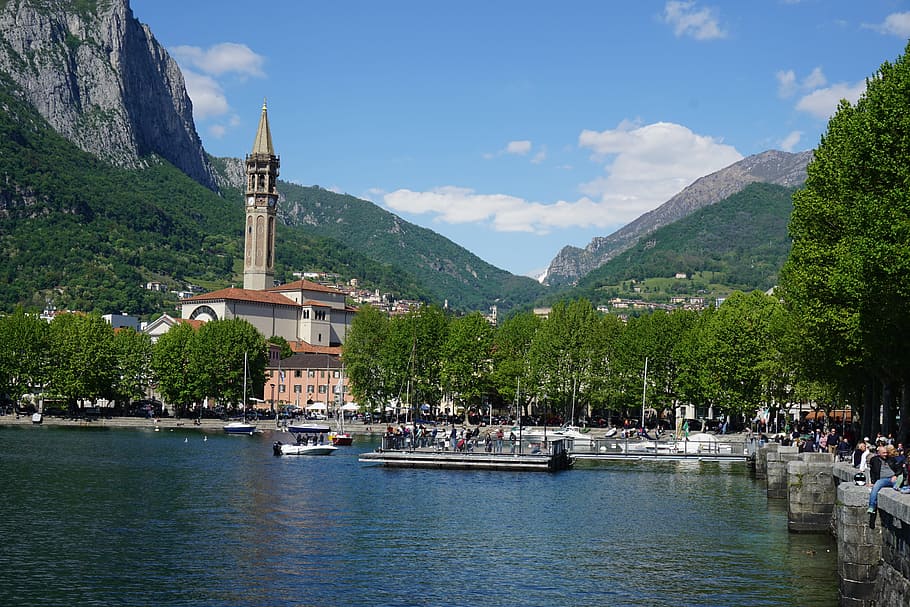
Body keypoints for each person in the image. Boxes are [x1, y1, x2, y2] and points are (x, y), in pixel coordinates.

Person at [868, 444, 899, 516]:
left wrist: (895, 475)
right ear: (879, 453)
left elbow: (899, 469)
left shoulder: (891, 459)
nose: (885, 454)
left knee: (897, 487)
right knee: (876, 486)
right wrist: (873, 482)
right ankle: (872, 506)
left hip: (893, 478)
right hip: (882, 480)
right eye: (883, 453)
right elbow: (872, 471)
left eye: (886, 453)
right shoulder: (874, 460)